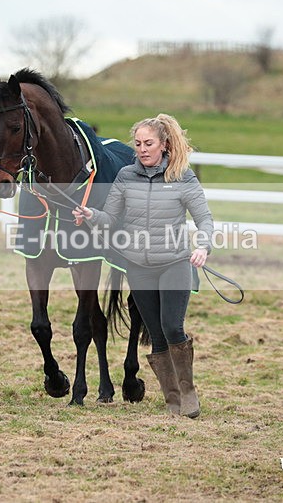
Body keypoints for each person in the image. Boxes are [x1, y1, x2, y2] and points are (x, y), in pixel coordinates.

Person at [72, 113, 213, 418]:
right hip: (138, 266)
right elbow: (110, 218)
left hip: (174, 262)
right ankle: (172, 397)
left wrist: (203, 245)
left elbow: (204, 218)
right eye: (137, 144)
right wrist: (90, 215)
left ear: (164, 144)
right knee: (156, 334)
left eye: (149, 143)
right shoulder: (125, 176)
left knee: (172, 326)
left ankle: (188, 392)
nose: (142, 149)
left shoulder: (182, 177)